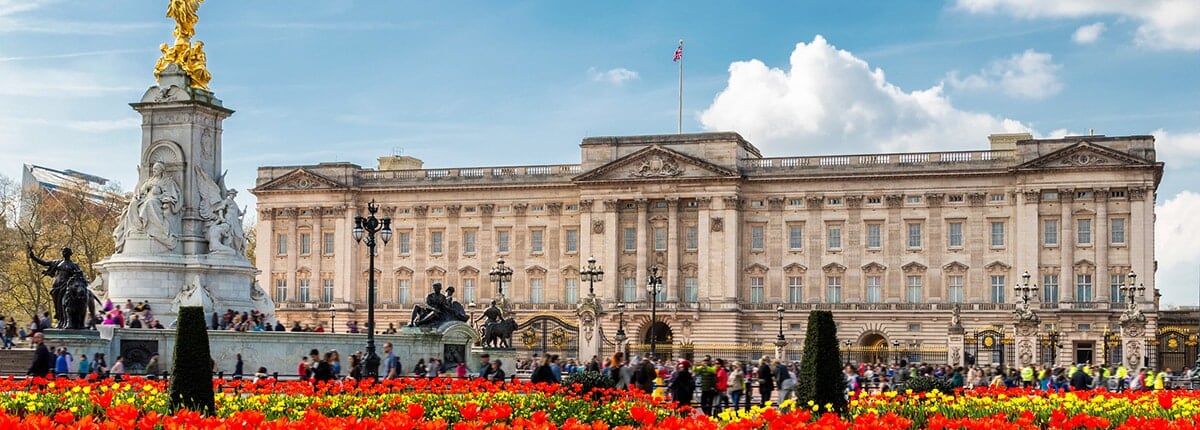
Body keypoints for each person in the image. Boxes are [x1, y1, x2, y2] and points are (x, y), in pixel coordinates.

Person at [28, 246, 86, 329]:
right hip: (56, 286)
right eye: (62, 251)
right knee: (57, 304)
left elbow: (79, 275)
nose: (63, 253)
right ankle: (60, 319)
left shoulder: (73, 265)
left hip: (66, 286)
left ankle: (66, 321)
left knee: (64, 303)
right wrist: (33, 257)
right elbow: (44, 263)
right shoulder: (57, 262)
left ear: (68, 253)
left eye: (65, 251)